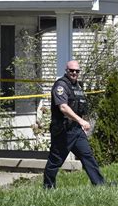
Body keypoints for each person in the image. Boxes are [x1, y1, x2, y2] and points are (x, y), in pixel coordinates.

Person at [44, 60, 105, 189]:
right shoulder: (60, 86)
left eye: (77, 71)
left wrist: (81, 122)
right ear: (66, 70)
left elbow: (80, 107)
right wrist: (81, 121)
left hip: (76, 130)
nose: (74, 73)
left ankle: (100, 184)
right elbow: (63, 108)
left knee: (87, 156)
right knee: (55, 160)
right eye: (71, 70)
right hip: (63, 130)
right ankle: (48, 188)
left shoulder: (77, 87)